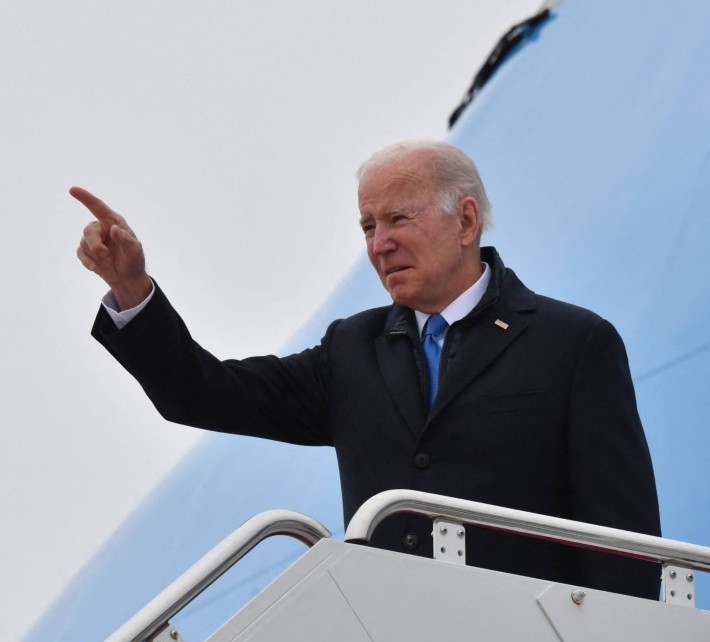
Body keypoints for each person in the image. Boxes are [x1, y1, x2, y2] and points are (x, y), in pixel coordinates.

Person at [73, 140, 662, 598]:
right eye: (367, 227)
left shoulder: (573, 342)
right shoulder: (353, 348)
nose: (379, 244)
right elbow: (205, 395)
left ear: (464, 221)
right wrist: (131, 288)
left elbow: (623, 540)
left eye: (397, 220)